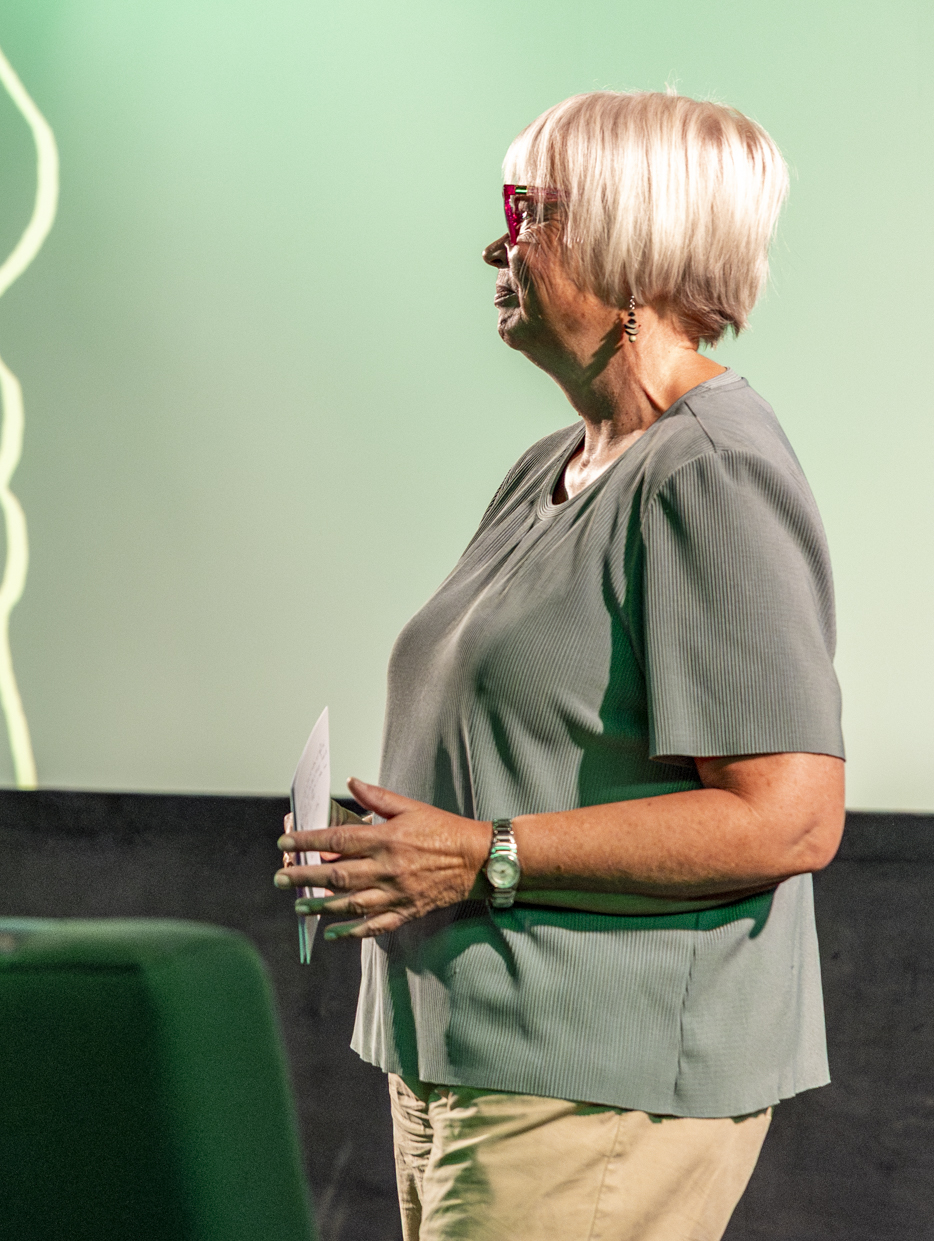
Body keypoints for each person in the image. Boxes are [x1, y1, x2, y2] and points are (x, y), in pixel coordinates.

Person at [277, 91, 843, 1240]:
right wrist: (396, 841)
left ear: (632, 246)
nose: (496, 246)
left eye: (525, 212)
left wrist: (476, 852)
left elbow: (786, 818)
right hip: (464, 1060)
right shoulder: (559, 460)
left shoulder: (710, 471)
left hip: (592, 1081)